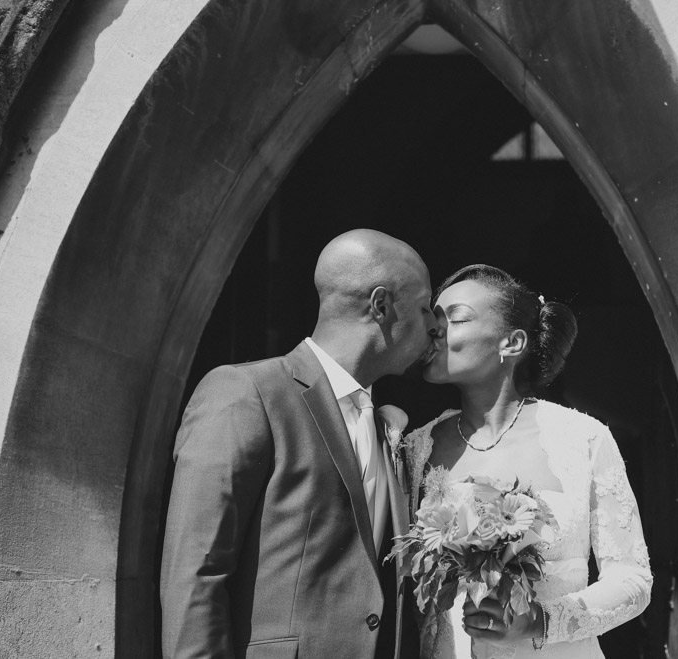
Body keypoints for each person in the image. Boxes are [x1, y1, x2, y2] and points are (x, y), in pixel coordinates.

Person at [160, 229, 439, 659]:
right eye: (424, 309)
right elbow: (195, 572)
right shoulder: (246, 392)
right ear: (381, 305)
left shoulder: (387, 423)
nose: (434, 326)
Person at [402, 264, 652, 659]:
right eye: (433, 319)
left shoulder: (582, 438)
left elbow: (633, 579)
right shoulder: (414, 450)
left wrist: (541, 621)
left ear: (512, 343)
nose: (435, 329)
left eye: (457, 318)